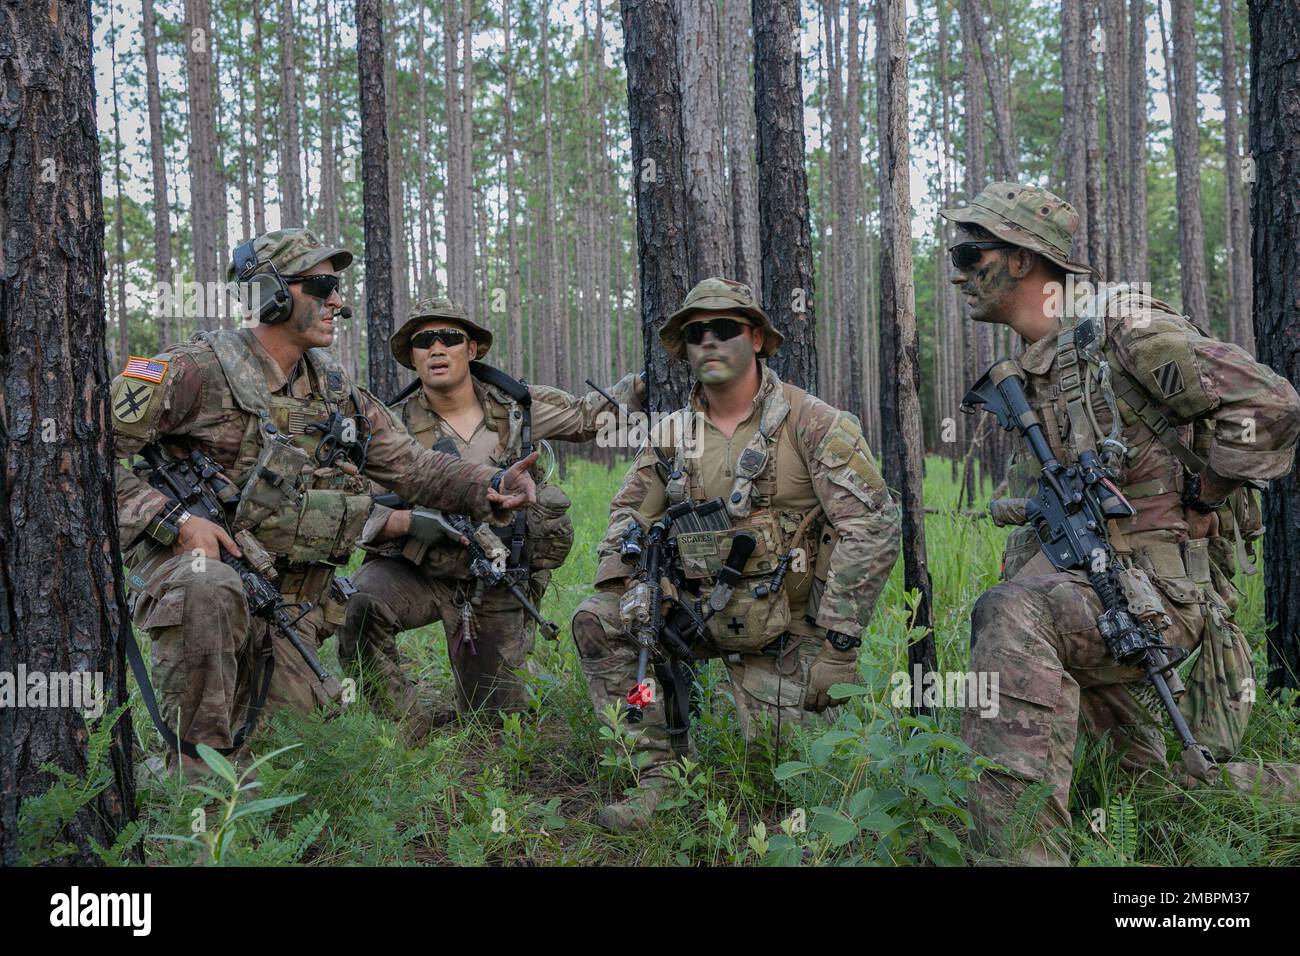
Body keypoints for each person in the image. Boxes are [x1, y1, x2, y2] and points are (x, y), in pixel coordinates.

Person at [943, 182, 1300, 865]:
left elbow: (1271, 403)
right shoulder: (1040, 366)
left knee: (1013, 615)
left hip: (1165, 597)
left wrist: (1210, 486)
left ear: (1021, 261)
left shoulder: (1124, 328)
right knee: (1157, 795)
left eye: (969, 254)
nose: (958, 273)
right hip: (1098, 596)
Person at [112, 229, 536, 774]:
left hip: (282, 593)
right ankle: (189, 786)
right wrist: (176, 521)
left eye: (338, 286)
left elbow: (413, 466)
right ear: (269, 292)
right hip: (192, 573)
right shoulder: (192, 370)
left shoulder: (335, 390)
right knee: (206, 585)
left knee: (290, 758)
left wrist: (487, 487)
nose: (338, 300)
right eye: (321, 285)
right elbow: (83, 457)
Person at [570, 277, 901, 832]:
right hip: (692, 615)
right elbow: (628, 514)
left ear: (755, 337)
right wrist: (630, 587)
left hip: (785, 629)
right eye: (695, 333)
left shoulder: (812, 421)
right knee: (598, 623)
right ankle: (659, 778)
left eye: (723, 329)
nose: (709, 342)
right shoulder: (672, 432)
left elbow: (873, 525)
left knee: (781, 785)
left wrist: (839, 646)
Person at [337, 297, 643, 740]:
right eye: (424, 341)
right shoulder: (389, 425)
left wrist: (642, 384)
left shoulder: (518, 406)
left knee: (494, 725)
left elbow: (587, 416)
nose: (437, 349)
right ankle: (403, 728)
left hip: (495, 580)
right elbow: (355, 504)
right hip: (419, 569)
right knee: (359, 602)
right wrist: (407, 524)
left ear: (472, 349)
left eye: (450, 338)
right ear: (412, 357)